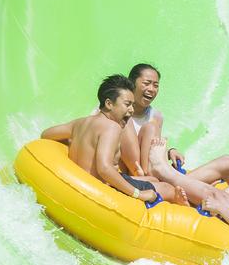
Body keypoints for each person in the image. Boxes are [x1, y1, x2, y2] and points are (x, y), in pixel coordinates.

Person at [41, 74, 188, 205]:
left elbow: (46, 134)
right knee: (168, 189)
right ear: (109, 104)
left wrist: (75, 142)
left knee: (153, 181)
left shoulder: (80, 123)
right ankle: (182, 211)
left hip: (79, 180)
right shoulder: (112, 127)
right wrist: (139, 194)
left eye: (132, 104)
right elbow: (104, 168)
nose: (131, 110)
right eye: (127, 104)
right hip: (100, 190)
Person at [93, 63, 185, 176]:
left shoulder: (156, 117)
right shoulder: (111, 108)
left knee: (151, 127)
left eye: (156, 85)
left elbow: (152, 151)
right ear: (132, 84)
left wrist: (170, 152)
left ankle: (146, 176)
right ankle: (142, 176)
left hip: (144, 171)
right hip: (117, 169)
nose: (151, 89)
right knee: (126, 122)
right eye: (146, 83)